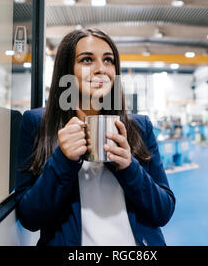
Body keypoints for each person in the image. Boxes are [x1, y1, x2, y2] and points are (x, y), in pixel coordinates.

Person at [15, 28, 175, 246]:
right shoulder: (37, 124)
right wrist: (63, 160)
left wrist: (129, 167)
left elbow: (163, 211)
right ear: (67, 71)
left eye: (108, 60)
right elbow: (29, 217)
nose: (101, 69)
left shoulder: (138, 127)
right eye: (87, 60)